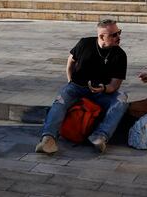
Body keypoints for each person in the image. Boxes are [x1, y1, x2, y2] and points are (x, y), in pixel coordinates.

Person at [35, 19, 129, 155]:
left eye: (119, 32)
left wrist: (103, 88)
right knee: (60, 100)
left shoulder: (120, 55)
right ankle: (48, 139)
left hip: (101, 92)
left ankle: (100, 136)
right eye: (114, 35)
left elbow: (114, 85)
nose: (118, 37)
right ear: (102, 36)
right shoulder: (85, 44)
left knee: (121, 98)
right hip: (76, 88)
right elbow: (70, 61)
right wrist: (70, 81)